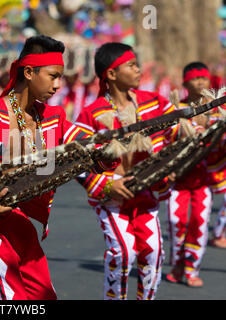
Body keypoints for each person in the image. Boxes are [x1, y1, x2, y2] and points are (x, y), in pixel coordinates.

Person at [0, 35, 82, 300]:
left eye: (60, 78)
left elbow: (85, 147)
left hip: (21, 222)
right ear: (29, 72)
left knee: (44, 297)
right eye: (53, 76)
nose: (58, 86)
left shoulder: (53, 118)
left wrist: (110, 151)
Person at [74, 42, 175, 300]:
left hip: (146, 192)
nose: (139, 70)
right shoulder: (91, 113)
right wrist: (107, 184)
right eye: (131, 65)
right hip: (111, 197)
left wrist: (174, 160)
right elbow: (77, 161)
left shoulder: (155, 103)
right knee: (124, 252)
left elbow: (178, 130)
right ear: (111, 74)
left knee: (153, 252)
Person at [165, 62, 215, 287]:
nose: (201, 83)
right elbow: (165, 142)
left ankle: (191, 268)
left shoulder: (217, 110)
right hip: (178, 180)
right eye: (196, 79)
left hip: (202, 181)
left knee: (199, 223)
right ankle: (177, 264)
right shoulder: (176, 110)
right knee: (177, 223)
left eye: (204, 78)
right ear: (185, 83)